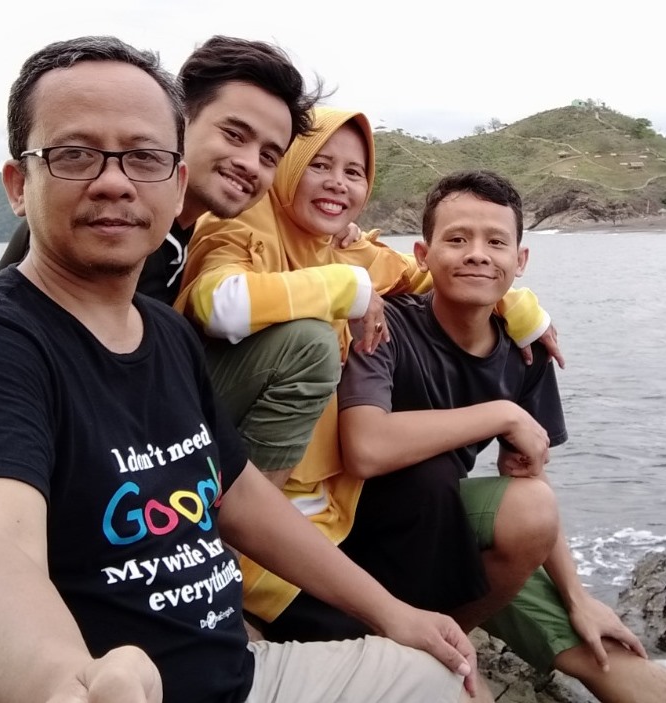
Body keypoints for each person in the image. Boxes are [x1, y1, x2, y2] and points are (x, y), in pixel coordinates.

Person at [0, 35, 491, 703]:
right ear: (16, 185)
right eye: (75, 154)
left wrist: (393, 614)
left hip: (231, 673)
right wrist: (60, 681)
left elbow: (237, 490)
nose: (114, 180)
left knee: (443, 681)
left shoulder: (167, 329)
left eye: (143, 157)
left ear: (173, 183)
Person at [264, 170, 666, 703]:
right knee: (433, 480)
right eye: (456, 239)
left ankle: (444, 641)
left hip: (436, 535)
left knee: (598, 641)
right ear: (422, 255)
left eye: (496, 242)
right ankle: (425, 659)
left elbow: (530, 484)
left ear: (520, 261)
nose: (477, 254)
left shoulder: (525, 351)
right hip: (346, 534)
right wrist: (500, 413)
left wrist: (577, 595)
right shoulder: (382, 325)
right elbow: (365, 449)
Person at [176, 108, 559, 622]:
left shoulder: (345, 248)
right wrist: (349, 290)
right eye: (319, 165)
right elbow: (218, 304)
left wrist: (521, 310)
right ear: (289, 167)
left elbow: (434, 274)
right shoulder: (244, 223)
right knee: (310, 340)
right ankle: (231, 541)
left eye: (353, 173)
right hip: (220, 468)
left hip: (320, 502)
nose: (337, 183)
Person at [0, 34, 360, 303]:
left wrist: (335, 233)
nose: (249, 164)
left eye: (268, 156)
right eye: (233, 135)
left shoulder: (187, 228)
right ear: (177, 123)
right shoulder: (119, 222)